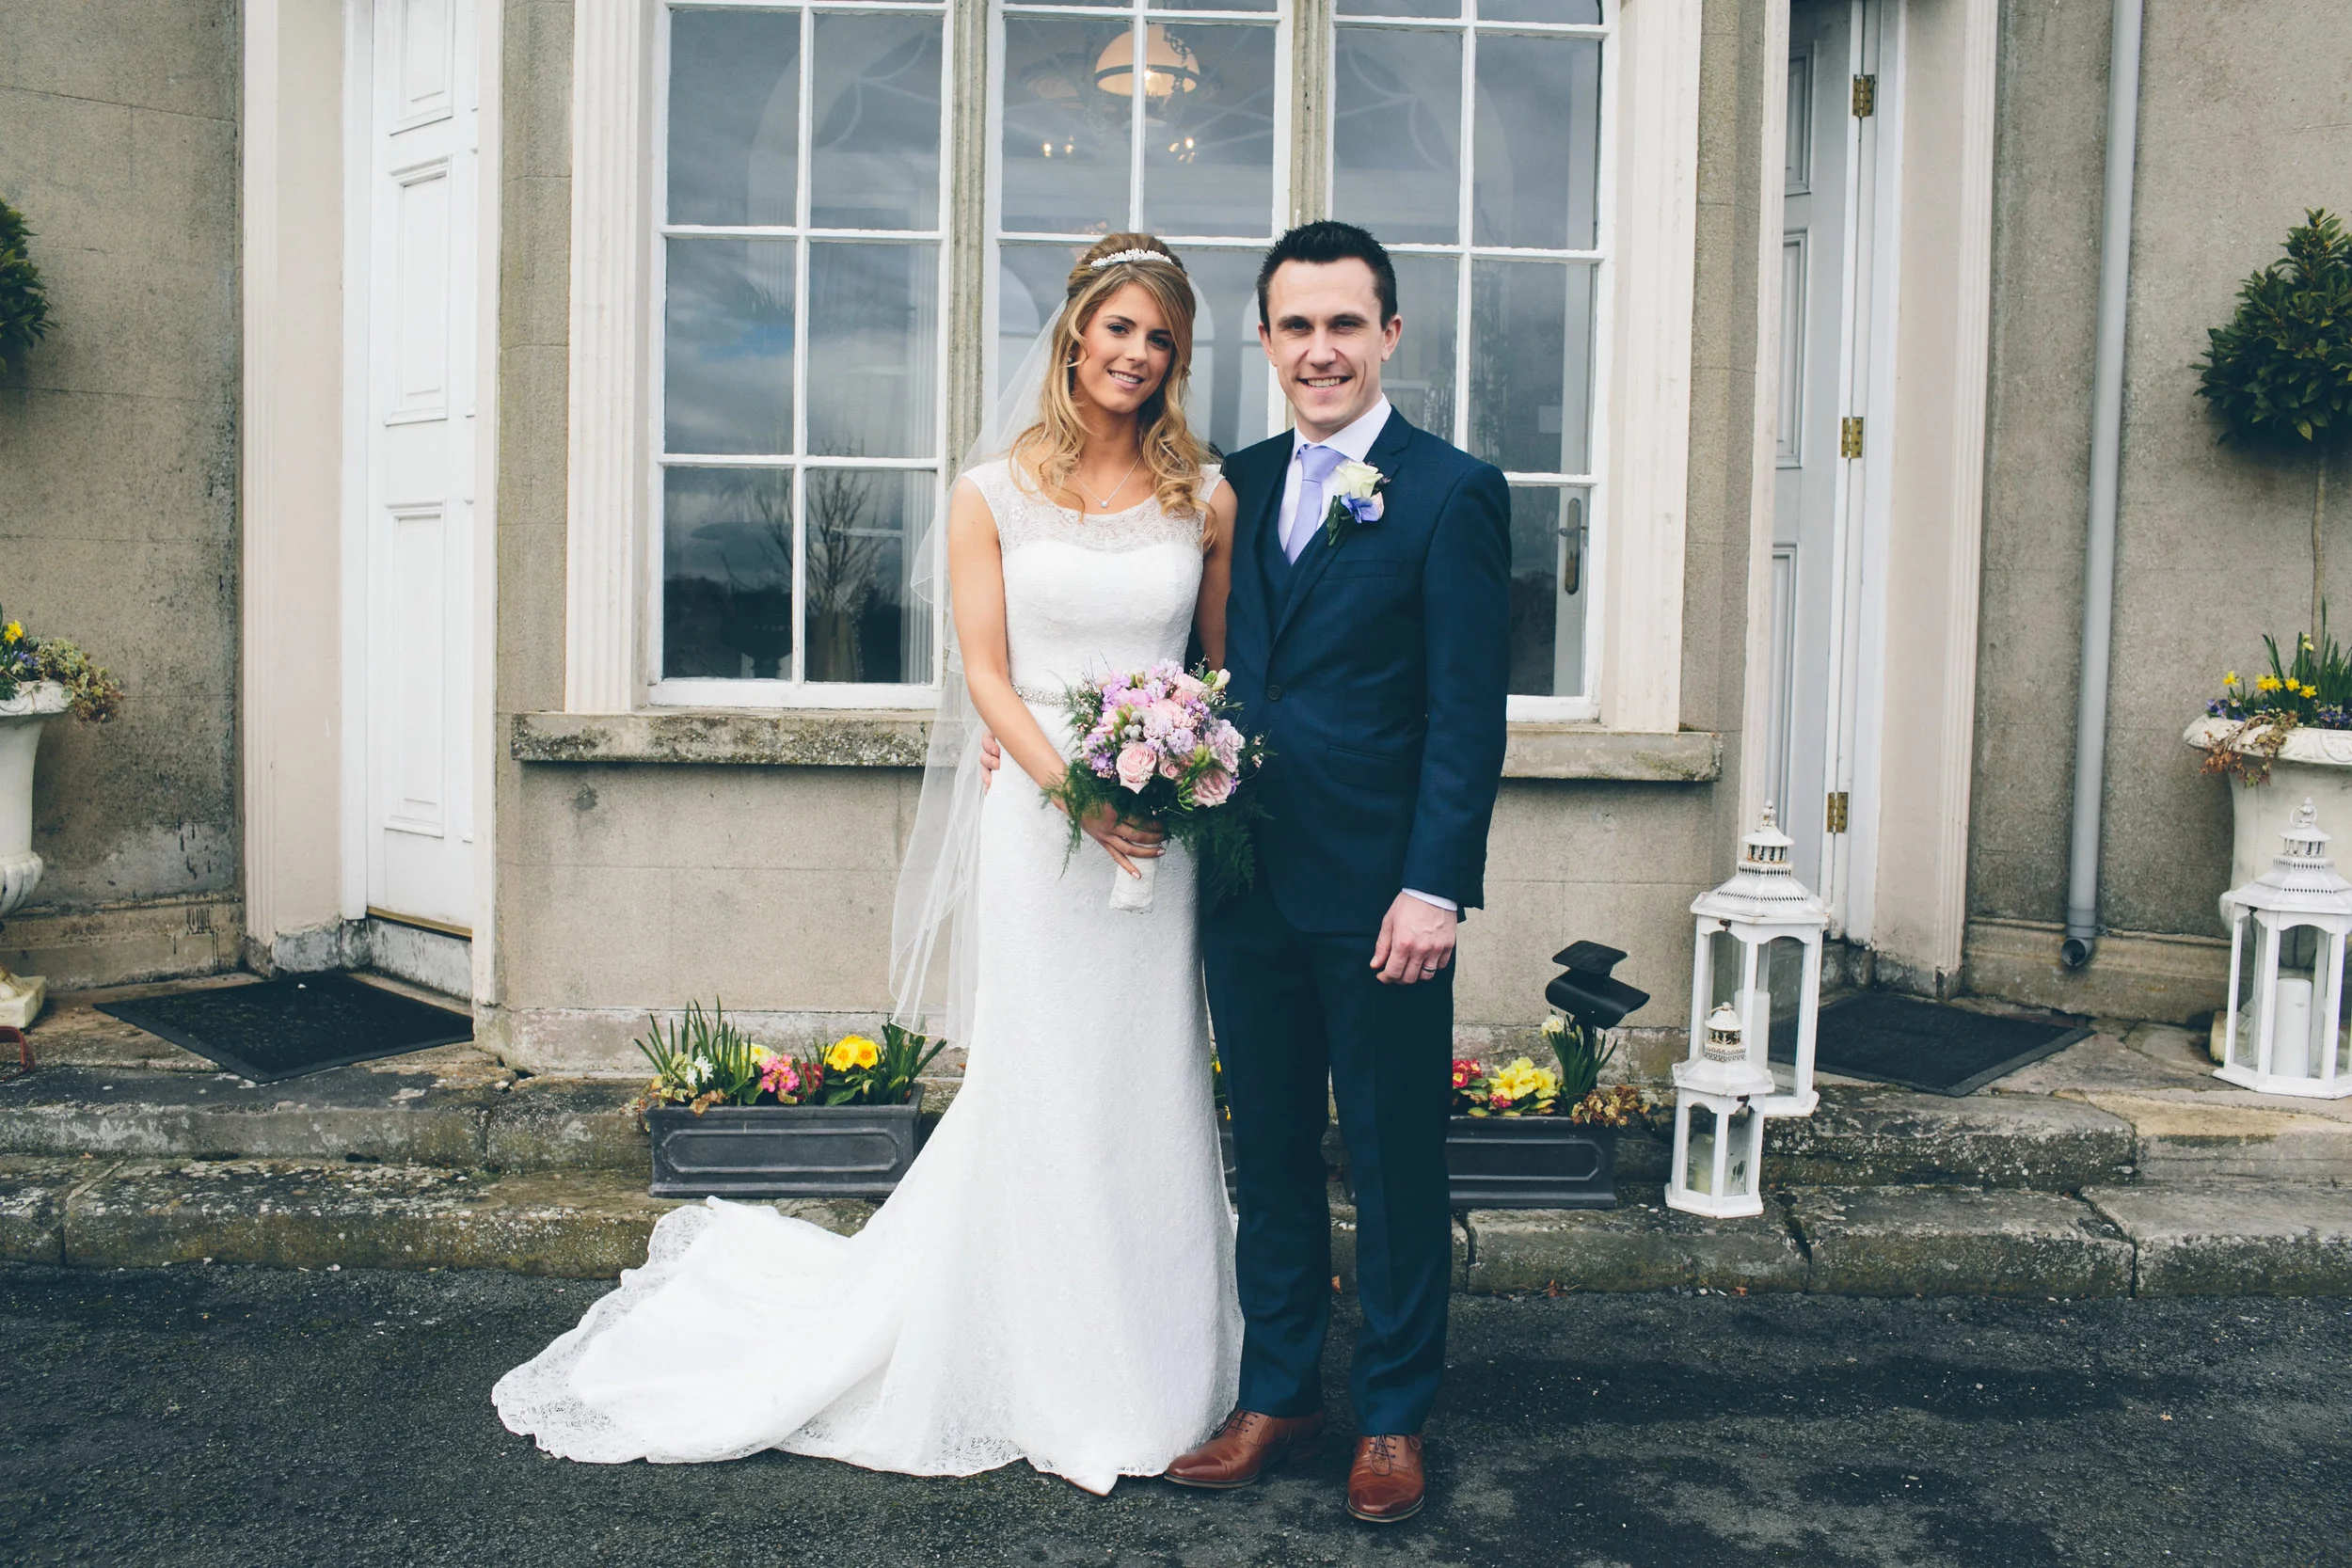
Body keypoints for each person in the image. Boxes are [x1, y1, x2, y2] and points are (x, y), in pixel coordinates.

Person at [492, 233, 1246, 1496]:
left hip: (1156, 833)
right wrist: (1075, 793)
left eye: (1161, 337)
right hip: (1044, 821)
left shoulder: (1202, 497)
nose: (1137, 353)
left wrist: (1174, 777)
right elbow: (988, 673)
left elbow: (1215, 671)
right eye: (1119, 327)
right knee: (1046, 1073)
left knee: (1147, 1070)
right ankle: (1039, 1356)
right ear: (1075, 334)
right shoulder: (991, 492)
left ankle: (1158, 1359)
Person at [1159, 221, 1510, 1524]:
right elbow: (1193, 670)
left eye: (1345, 324)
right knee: (1268, 1153)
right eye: (1297, 326)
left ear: (1390, 335)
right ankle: (1278, 1392)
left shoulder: (1451, 491)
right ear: (1265, 340)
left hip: (1380, 897)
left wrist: (1436, 884)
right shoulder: (1231, 485)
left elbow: (1467, 714)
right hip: (1243, 881)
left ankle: (1395, 1415)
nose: (1321, 350)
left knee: (1393, 1155)